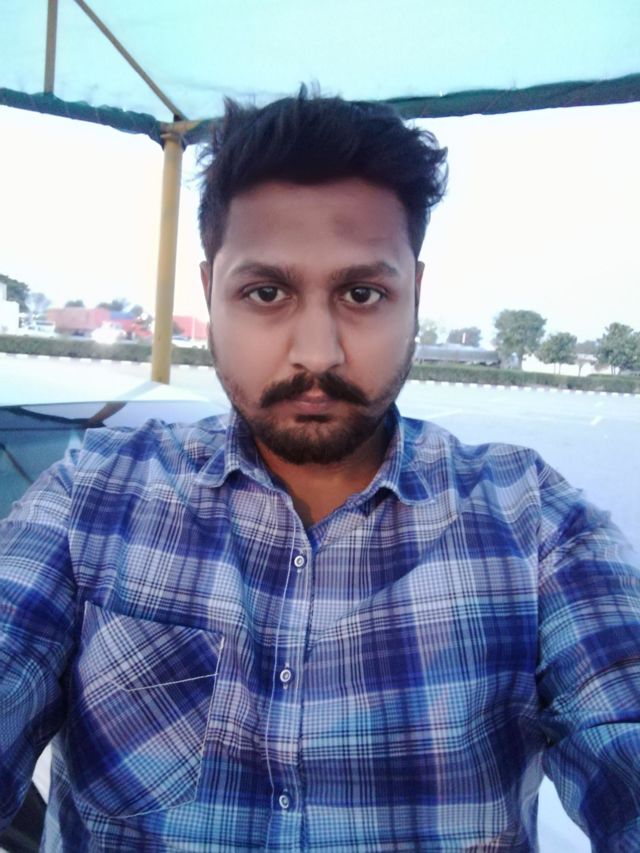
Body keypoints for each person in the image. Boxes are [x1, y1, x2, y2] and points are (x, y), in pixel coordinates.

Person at [1, 89, 639, 852]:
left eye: (362, 293)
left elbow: (623, 723)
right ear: (210, 294)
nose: (317, 352)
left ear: (414, 296)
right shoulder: (92, 499)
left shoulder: (532, 521)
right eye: (266, 292)